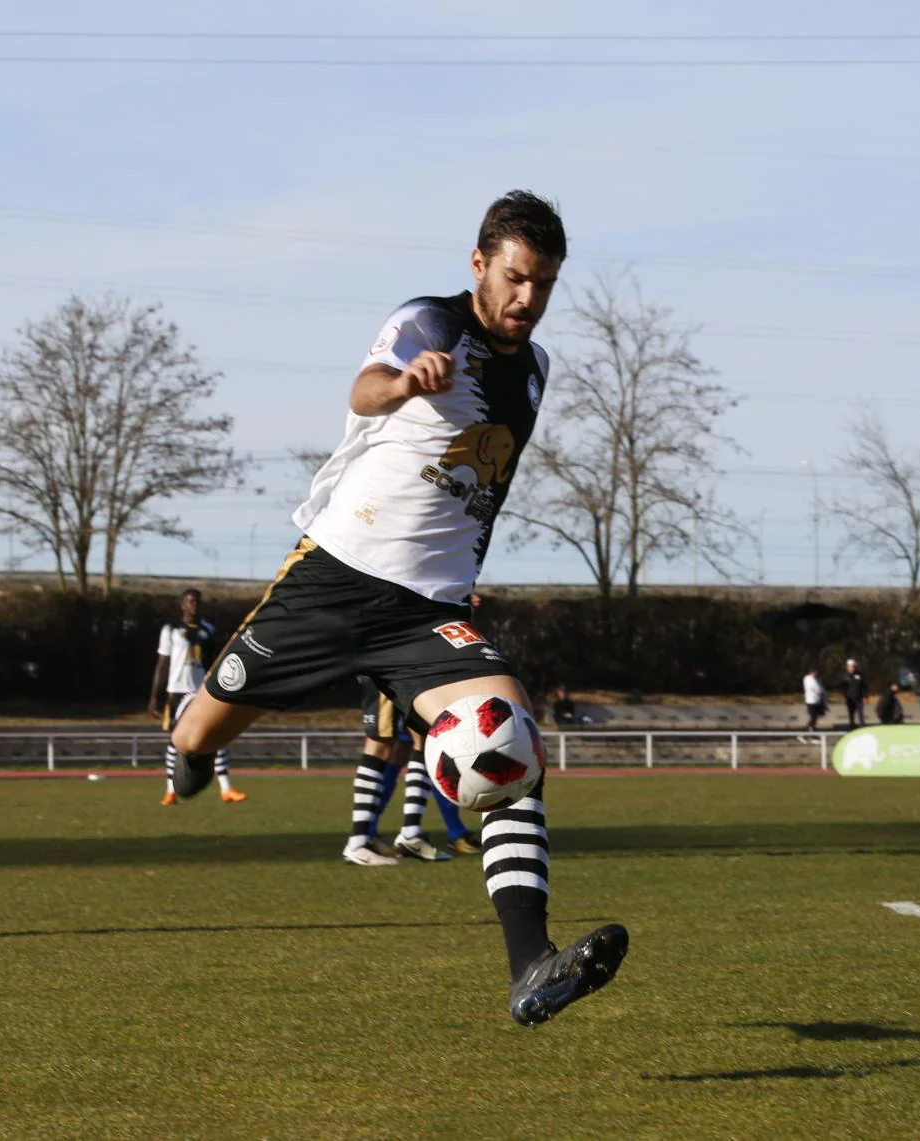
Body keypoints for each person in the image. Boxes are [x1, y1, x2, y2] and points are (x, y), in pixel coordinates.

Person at [165, 191, 628, 1023]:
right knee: (196, 734)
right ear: (480, 264)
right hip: (333, 581)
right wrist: (407, 381)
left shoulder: (536, 369)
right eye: (517, 277)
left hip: (427, 614)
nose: (529, 299)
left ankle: (531, 966)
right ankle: (189, 759)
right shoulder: (429, 322)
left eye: (546, 285)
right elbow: (367, 384)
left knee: (508, 736)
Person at [343, 677, 480, 866]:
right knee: (380, 744)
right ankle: (358, 842)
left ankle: (411, 834)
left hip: (410, 670)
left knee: (425, 740)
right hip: (387, 666)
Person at [148, 588, 244, 806]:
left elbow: (214, 663)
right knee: (175, 741)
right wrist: (155, 697)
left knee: (215, 737)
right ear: (182, 604)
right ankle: (171, 790)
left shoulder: (208, 630)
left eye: (197, 602)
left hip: (200, 691)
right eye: (190, 601)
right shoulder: (171, 630)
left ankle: (226, 788)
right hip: (177, 691)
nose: (194, 605)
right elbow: (163, 664)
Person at [842, 659, 867, 728]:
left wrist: (865, 696)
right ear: (847, 667)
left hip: (859, 698)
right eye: (850, 666)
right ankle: (852, 726)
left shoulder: (860, 675)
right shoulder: (845, 676)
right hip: (850, 698)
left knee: (860, 714)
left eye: (853, 666)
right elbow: (842, 687)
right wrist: (845, 694)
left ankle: (862, 726)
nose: (851, 668)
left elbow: (864, 686)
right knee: (851, 714)